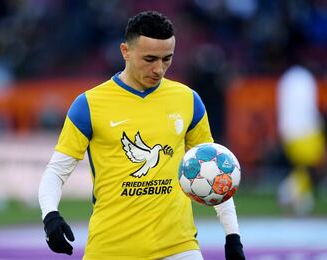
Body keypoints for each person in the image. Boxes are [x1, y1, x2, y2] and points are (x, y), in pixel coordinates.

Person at [39, 11, 245, 260]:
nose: (159, 69)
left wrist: (232, 235)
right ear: (125, 51)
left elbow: (215, 173)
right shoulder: (89, 105)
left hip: (178, 248)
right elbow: (56, 172)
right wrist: (50, 215)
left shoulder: (188, 101)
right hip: (111, 250)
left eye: (166, 59)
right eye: (149, 59)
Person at [277, 65, 325, 216]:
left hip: (291, 132)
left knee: (305, 168)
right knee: (309, 168)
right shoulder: (304, 79)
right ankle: (289, 191)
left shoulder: (288, 78)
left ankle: (296, 194)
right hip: (306, 131)